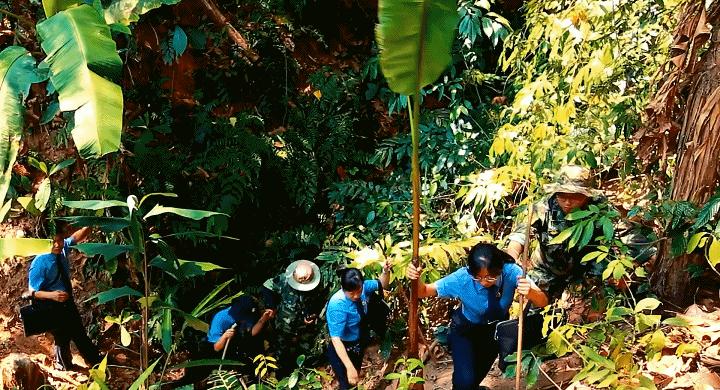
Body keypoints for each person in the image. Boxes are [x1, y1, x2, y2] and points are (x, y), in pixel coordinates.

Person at [508, 165, 656, 307]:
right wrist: (511, 260)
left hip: (588, 271)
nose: (567, 203)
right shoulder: (543, 207)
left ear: (587, 196)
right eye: (562, 196)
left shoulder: (602, 210)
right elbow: (520, 236)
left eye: (575, 197)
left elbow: (632, 240)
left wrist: (627, 268)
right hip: (549, 268)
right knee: (532, 306)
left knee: (589, 309)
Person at [406, 243, 535, 390]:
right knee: (464, 381)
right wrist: (415, 278)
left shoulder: (511, 272)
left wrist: (530, 291)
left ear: (499, 269)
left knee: (477, 376)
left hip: (493, 333)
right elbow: (423, 291)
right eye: (478, 277)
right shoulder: (463, 278)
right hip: (465, 329)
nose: (484, 282)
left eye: (490, 277)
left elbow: (542, 300)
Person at [27, 224, 101, 370]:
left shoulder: (62, 249)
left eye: (59, 240)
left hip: (67, 301)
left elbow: (75, 237)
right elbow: (32, 291)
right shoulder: (40, 262)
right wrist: (52, 295)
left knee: (78, 331)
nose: (57, 245)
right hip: (52, 304)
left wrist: (91, 222)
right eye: (52, 242)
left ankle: (94, 360)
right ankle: (65, 365)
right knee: (62, 336)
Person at [325, 263, 390, 389]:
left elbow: (382, 284)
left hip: (358, 342)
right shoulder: (337, 305)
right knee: (346, 383)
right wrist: (349, 367)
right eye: (351, 293)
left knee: (355, 377)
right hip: (342, 347)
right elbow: (336, 339)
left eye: (358, 291)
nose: (355, 296)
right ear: (343, 289)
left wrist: (386, 271)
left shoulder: (364, 287)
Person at [261, 259, 326, 372]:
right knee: (281, 352)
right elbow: (267, 286)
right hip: (284, 324)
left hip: (305, 328)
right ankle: (281, 375)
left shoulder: (319, 284)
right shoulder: (284, 279)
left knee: (305, 352)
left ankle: (303, 374)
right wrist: (270, 306)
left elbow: (320, 301)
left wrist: (312, 314)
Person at [206, 295, 273, 365]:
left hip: (239, 346)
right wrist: (225, 336)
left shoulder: (248, 314)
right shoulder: (220, 318)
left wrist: (262, 320)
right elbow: (216, 348)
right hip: (220, 352)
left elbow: (252, 333)